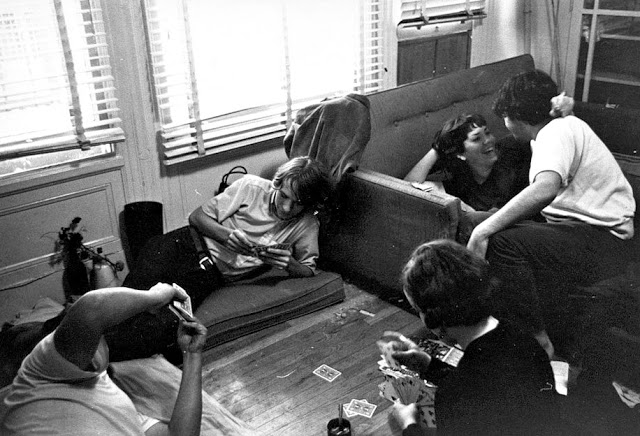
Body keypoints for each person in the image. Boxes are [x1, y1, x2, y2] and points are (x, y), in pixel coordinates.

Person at [466, 70, 635, 358]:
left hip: (603, 241)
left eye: (505, 117)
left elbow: (545, 188)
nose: (504, 125)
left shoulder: (554, 133)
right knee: (488, 225)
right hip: (590, 236)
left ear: (515, 115)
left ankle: (539, 341)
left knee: (501, 242)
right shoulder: (555, 128)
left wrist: (482, 231)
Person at [105, 156, 333, 362]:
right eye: (283, 195)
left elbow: (308, 269)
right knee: (130, 301)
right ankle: (91, 343)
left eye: (298, 203)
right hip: (183, 243)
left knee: (161, 326)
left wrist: (289, 263)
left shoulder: (307, 224)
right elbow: (197, 217)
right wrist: (226, 236)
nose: (286, 207)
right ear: (277, 183)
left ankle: (98, 361)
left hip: (207, 272)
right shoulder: (250, 186)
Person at [387, 239, 572, 435]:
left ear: (433, 318)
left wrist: (409, 425)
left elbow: (473, 388)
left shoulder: (454, 395)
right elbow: (492, 384)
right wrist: (430, 365)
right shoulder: (523, 337)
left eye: (418, 310)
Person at [1, 284, 208, 435]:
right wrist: (156, 296)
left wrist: (192, 354)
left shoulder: (110, 399)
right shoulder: (41, 373)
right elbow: (92, 308)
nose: (98, 337)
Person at [404, 113, 530, 213]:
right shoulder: (461, 183)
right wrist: (437, 149)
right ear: (461, 154)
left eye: (487, 133)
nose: (488, 141)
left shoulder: (512, 154)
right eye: (476, 139)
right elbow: (406, 188)